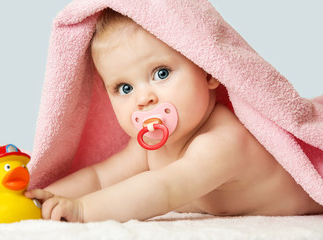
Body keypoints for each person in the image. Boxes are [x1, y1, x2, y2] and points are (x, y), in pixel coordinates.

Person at [25, 9, 323, 222]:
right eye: (124, 87)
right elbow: (100, 178)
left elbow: (164, 189)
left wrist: (80, 210)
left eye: (161, 73)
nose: (144, 98)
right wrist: (44, 197)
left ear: (209, 71)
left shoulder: (222, 141)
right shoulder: (150, 145)